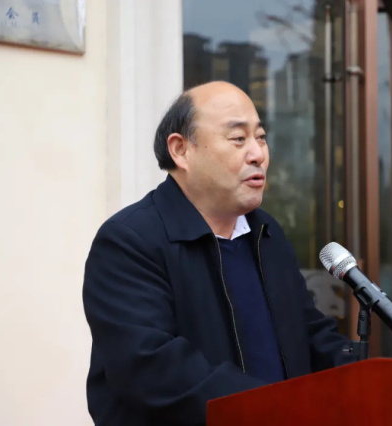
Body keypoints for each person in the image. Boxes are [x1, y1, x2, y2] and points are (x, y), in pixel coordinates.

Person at [82, 81, 353, 425]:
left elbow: (309, 333)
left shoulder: (266, 233)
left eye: (261, 137)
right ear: (181, 150)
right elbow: (152, 369)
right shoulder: (130, 240)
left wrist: (371, 378)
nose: (257, 154)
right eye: (238, 138)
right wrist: (278, 408)